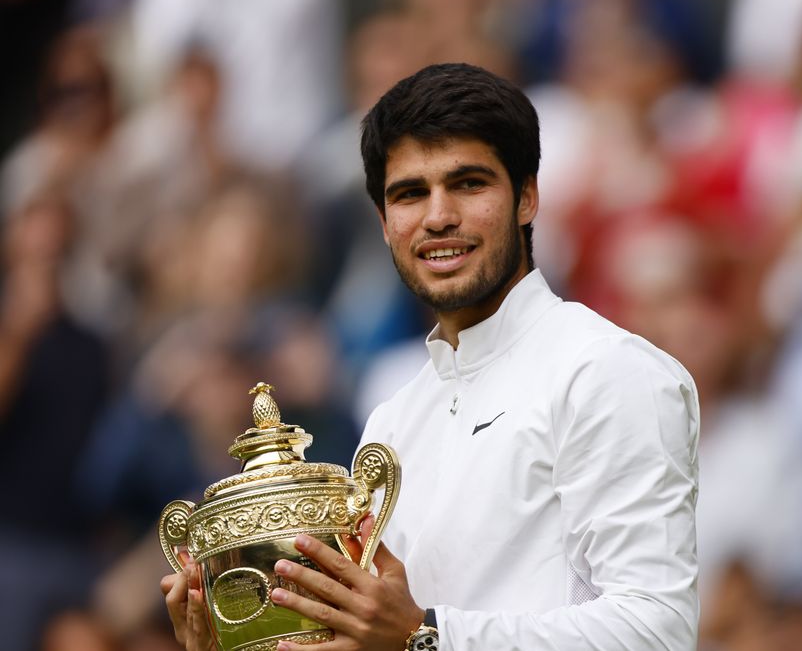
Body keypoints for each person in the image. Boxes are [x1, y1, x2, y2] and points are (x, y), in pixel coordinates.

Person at [161, 62, 701, 651]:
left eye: (468, 183)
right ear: (385, 222)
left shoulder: (607, 371)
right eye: (410, 193)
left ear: (527, 197)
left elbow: (656, 631)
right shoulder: (392, 418)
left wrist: (426, 637)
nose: (438, 216)